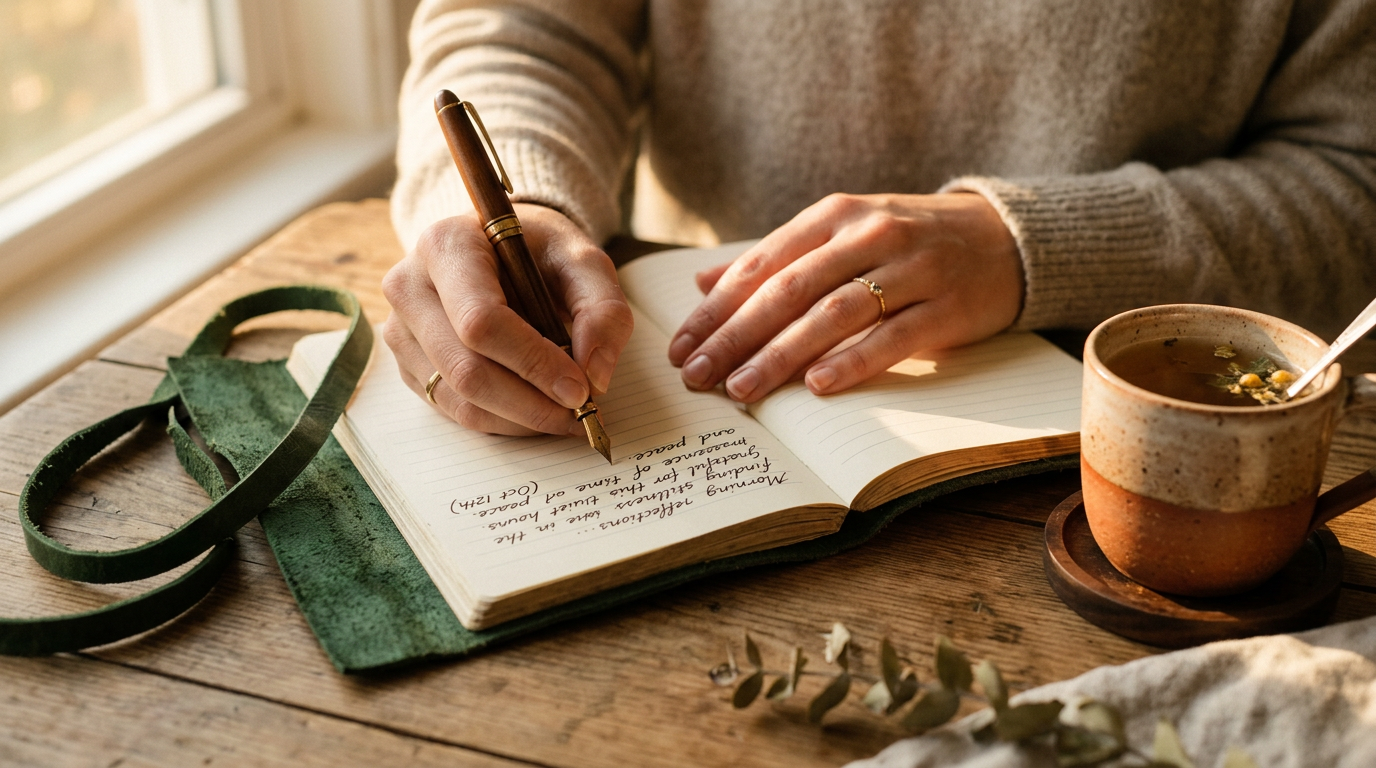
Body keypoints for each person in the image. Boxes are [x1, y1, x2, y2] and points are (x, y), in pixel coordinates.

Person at [382, 0, 1376, 437]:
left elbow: (1355, 180)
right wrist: (519, 204)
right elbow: (519, 29)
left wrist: (1032, 248)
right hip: (690, 374)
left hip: (1158, 444)